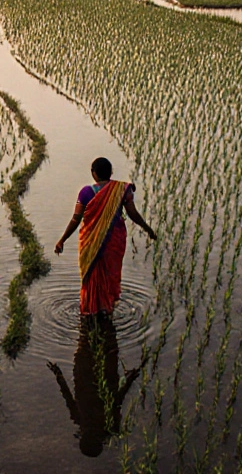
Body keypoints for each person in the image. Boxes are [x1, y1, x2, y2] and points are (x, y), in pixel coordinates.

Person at [54, 157, 156, 317]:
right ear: (111, 172)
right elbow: (133, 214)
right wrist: (148, 229)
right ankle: (106, 308)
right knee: (109, 274)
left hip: (90, 241)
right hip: (113, 242)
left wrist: (62, 240)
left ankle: (91, 309)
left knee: (92, 273)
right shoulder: (121, 190)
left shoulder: (86, 192)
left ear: (93, 173)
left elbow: (76, 219)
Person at [46, 316, 141, 457]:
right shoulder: (90, 420)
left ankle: (97, 316)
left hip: (93, 374)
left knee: (99, 338)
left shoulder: (100, 422)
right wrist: (129, 380)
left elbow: (117, 400)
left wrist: (58, 374)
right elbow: (117, 400)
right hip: (92, 374)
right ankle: (98, 316)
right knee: (94, 336)